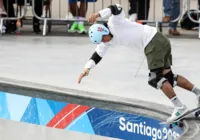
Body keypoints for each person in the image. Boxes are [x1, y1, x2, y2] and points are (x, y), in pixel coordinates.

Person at [77, 4, 200, 122]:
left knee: (155, 79)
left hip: (153, 42)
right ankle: (198, 93)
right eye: (101, 42)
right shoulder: (106, 42)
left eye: (103, 39)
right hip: (160, 41)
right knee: (168, 77)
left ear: (103, 30)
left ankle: (179, 107)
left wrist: (98, 14)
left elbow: (116, 7)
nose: (104, 42)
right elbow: (97, 55)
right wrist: (86, 69)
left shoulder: (115, 22)